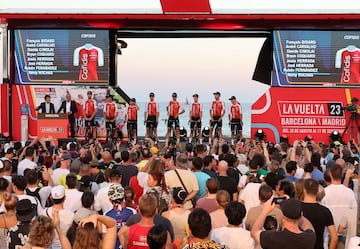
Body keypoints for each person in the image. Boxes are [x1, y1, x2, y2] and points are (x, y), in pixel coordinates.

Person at [251, 197, 316, 249]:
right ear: (301, 214)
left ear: (282, 216)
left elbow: (254, 232)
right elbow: (309, 226)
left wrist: (265, 211)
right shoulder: (309, 238)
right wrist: (295, 209)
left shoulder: (273, 238)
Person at [301, 178, 338, 249]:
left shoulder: (297, 208)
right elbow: (334, 238)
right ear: (317, 191)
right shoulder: (325, 211)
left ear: (304, 190)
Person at [105, 183, 135, 249]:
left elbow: (104, 236)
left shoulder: (106, 215)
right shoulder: (132, 212)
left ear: (110, 200)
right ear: (124, 197)